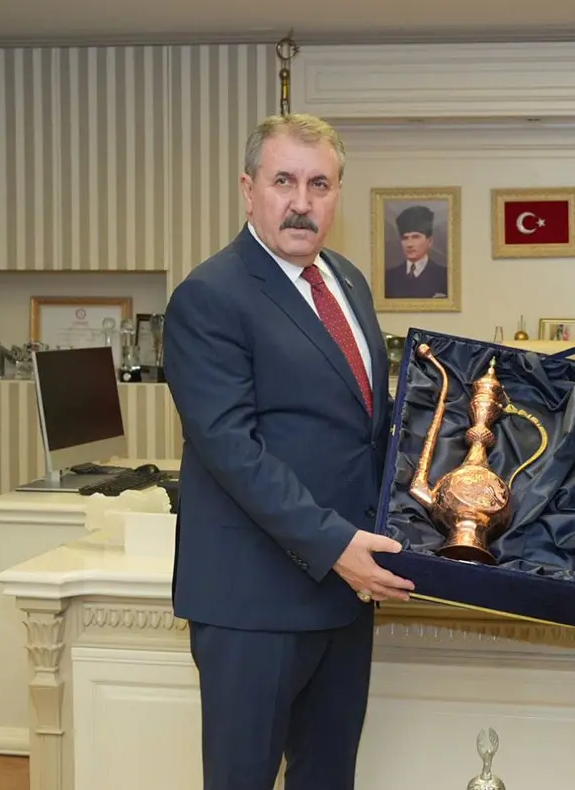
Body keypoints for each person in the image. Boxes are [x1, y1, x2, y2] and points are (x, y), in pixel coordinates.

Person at [162, 112, 415, 790]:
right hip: (254, 605)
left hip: (343, 595)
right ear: (249, 190)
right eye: (284, 181)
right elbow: (232, 451)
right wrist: (337, 545)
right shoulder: (209, 297)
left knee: (329, 778)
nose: (302, 202)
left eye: (319, 184)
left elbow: (367, 426)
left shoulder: (348, 281)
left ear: (337, 194)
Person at [383, 204, 448, 298]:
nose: (409, 244)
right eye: (405, 238)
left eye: (416, 237)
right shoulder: (389, 277)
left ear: (430, 241)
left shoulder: (444, 276)